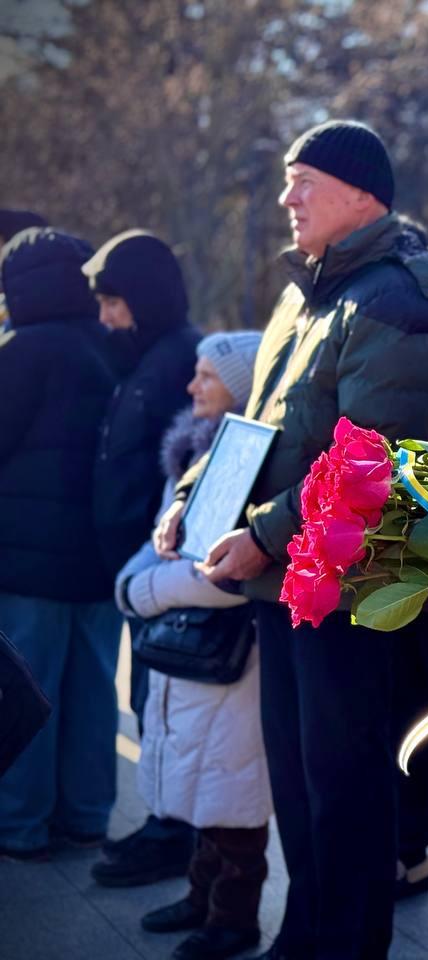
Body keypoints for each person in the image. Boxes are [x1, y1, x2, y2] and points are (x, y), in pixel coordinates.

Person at [155, 119, 428, 960]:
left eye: (305, 182)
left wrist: (259, 532)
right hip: (285, 581)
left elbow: (370, 453)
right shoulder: (308, 292)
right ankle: (306, 936)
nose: (287, 197)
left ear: (363, 195)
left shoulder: (398, 296)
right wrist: (196, 496)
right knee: (297, 785)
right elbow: (258, 422)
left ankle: (344, 945)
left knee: (344, 789)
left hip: (348, 588)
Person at [102, 332, 269, 960]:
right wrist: (141, 580)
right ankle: (201, 898)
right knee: (201, 784)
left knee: (231, 791)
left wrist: (146, 591)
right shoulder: (201, 456)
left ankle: (233, 918)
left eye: (207, 376)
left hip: (227, 654)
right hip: (186, 649)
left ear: (242, 386)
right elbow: (170, 541)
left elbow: (232, 573)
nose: (192, 386)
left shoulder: (255, 462)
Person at [81, 229, 203, 883]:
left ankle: (174, 835)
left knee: (167, 705)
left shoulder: (179, 359)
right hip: (139, 573)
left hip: (163, 574)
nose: (105, 318)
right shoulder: (148, 356)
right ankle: (162, 822)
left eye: (113, 303)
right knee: (149, 701)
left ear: (144, 299)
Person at [0, 227, 118, 859]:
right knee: (93, 691)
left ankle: (19, 826)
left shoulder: (19, 350)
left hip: (26, 562)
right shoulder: (111, 346)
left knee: (27, 694)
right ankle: (88, 814)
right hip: (97, 559)